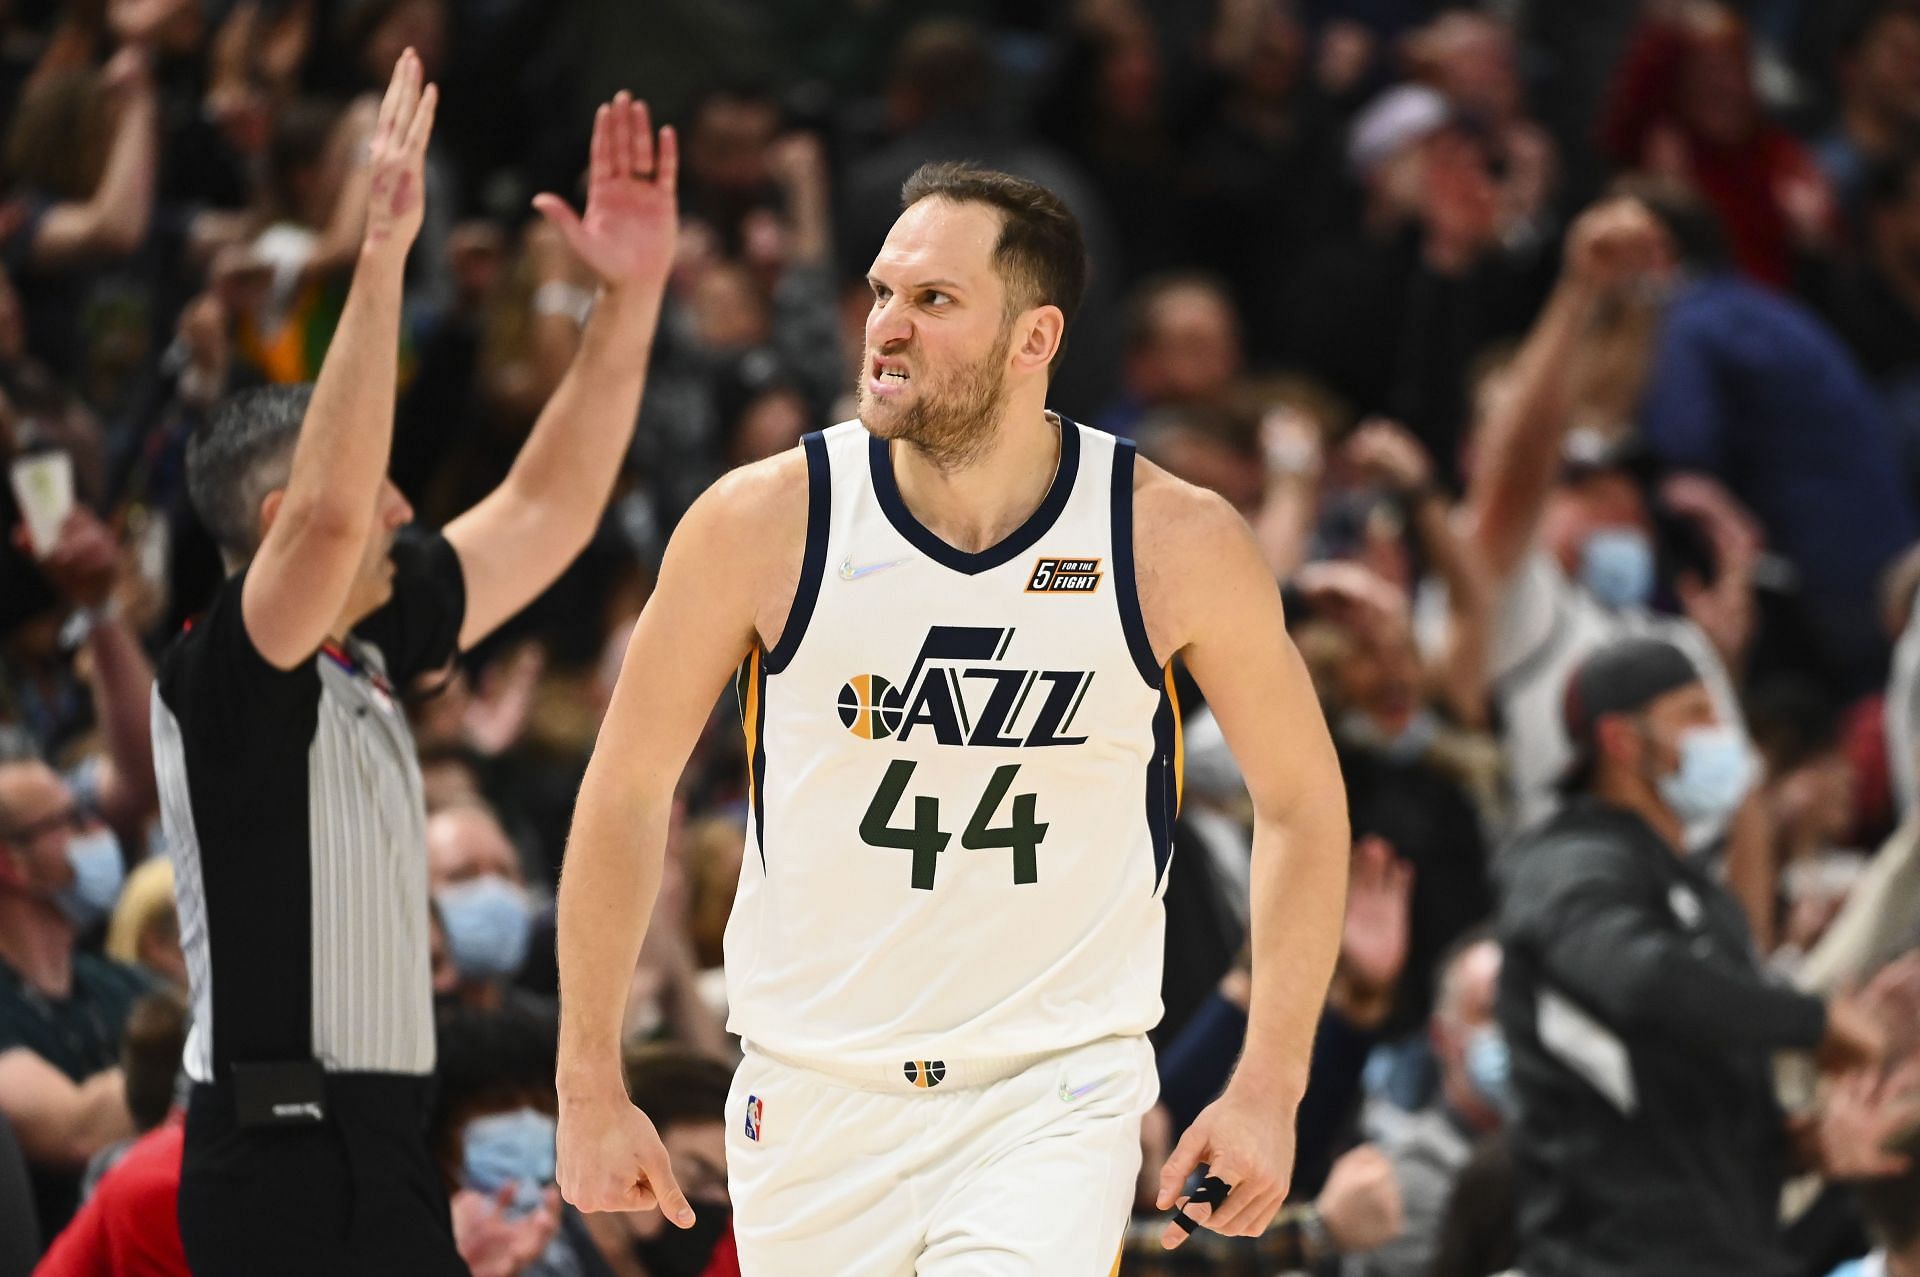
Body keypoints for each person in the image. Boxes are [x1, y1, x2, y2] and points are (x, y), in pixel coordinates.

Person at [554, 162, 1351, 1271]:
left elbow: (1306, 805)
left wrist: (1269, 1082)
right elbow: (627, 789)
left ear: (1035, 340)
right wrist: (588, 1078)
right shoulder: (760, 523)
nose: (886, 327)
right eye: (882, 292)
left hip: (1050, 1091)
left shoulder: (1171, 539)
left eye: (933, 301)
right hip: (812, 1089)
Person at [148, 53, 680, 1276]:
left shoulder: (374, 636)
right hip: (272, 1150)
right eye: (379, 480)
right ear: (284, 512)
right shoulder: (221, 674)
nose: (403, 503)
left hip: (386, 1140)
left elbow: (549, 504)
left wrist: (631, 301)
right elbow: (335, 518)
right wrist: (382, 252)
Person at [1495, 635, 1887, 1276]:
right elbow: (1641, 981)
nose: (1722, 735)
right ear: (1622, 741)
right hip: (1609, 1259)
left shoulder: (1701, 892)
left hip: (1734, 1252)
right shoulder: (1564, 864)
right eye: (1695, 714)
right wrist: (1811, 1022)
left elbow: (1689, 1108)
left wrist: (1800, 1146)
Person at [0, 745, 146, 1241]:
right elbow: (75, 1130)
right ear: (11, 864)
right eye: (71, 820)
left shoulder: (118, 981)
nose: (98, 833)